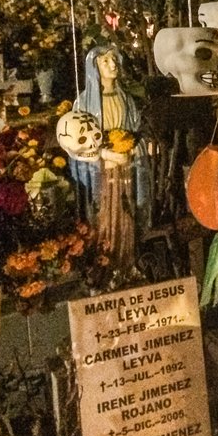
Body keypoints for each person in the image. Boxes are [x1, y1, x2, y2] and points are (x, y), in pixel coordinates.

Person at [69, 45, 150, 278]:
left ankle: (128, 261)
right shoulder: (85, 102)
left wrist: (132, 149)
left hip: (126, 170)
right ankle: (106, 266)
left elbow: (137, 132)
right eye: (105, 61)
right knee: (105, 217)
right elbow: (78, 143)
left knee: (127, 214)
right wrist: (105, 155)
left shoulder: (126, 100)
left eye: (115, 59)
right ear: (94, 67)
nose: (113, 65)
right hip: (101, 174)